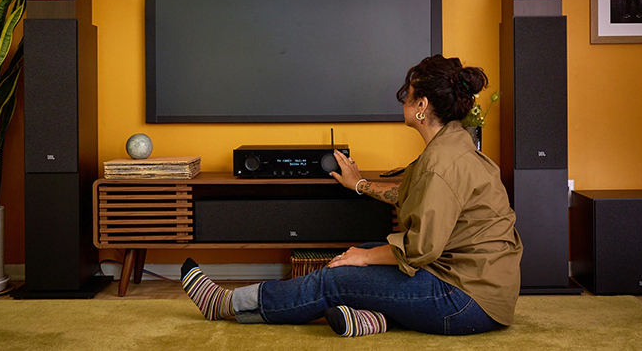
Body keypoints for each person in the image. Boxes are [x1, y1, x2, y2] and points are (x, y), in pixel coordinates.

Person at [180, 54, 523, 337]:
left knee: (336, 278)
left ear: (422, 104)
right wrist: (359, 184)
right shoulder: (454, 144)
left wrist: (363, 259)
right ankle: (373, 320)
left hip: (463, 303)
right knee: (369, 251)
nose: (402, 98)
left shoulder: (441, 163)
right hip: (479, 290)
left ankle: (226, 303)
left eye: (408, 93)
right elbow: (412, 197)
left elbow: (420, 249)